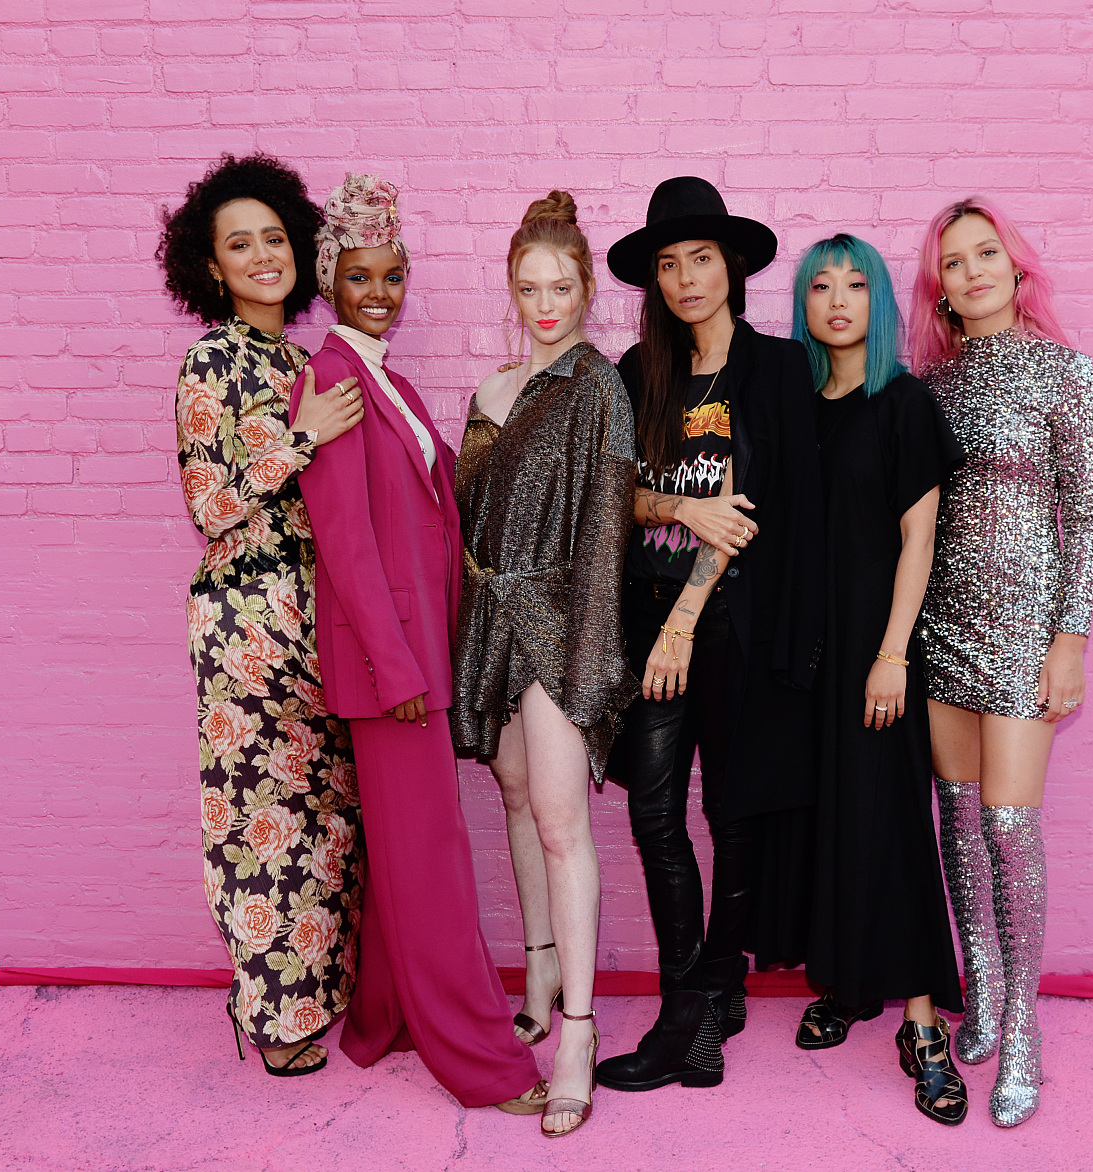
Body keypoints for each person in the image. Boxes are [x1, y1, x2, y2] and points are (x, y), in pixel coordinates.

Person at [291, 174, 547, 1115]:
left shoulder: (388, 380)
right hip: (388, 667)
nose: (379, 292)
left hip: (420, 657)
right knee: (432, 857)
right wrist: (396, 666)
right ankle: (481, 1061)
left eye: (393, 275)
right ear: (331, 280)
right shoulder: (330, 377)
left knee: (406, 850)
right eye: (360, 276)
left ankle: (381, 1018)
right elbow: (344, 542)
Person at [594, 176, 825, 1093]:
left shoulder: (776, 372)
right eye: (668, 264)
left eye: (700, 259)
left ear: (731, 266)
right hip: (650, 618)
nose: (686, 278)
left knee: (731, 812)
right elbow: (612, 497)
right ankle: (699, 999)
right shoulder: (636, 372)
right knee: (654, 815)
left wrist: (687, 621)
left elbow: (759, 509)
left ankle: (702, 1003)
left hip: (732, 623)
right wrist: (679, 506)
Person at [158, 153, 366, 1076]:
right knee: (259, 819)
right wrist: (302, 437)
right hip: (245, 618)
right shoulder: (211, 360)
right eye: (239, 245)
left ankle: (325, 995)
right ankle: (277, 1022)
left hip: (318, 615)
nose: (263, 256)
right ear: (211, 267)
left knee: (326, 815)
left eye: (274, 238)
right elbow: (210, 504)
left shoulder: (302, 361)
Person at [912, 197, 1093, 1128]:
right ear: (941, 289)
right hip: (943, 626)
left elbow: (1086, 519)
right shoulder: (930, 388)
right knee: (955, 814)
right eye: (954, 262)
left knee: (1008, 823)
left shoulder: (1066, 374)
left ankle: (1024, 1028)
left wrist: (1071, 639)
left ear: (1016, 267)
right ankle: (982, 988)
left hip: (1028, 631)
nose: (973, 271)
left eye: (986, 253)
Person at [452, 191, 637, 1137]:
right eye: (530, 289)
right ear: (512, 289)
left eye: (561, 287)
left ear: (587, 288)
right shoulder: (487, 396)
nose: (546, 305)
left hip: (561, 627)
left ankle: (578, 1033)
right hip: (491, 622)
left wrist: (589, 661)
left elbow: (606, 535)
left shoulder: (599, 388)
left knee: (564, 825)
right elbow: (463, 530)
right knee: (517, 800)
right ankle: (539, 973)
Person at [789, 233, 968, 1124]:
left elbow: (919, 541)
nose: (838, 301)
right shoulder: (795, 408)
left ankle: (922, 1023)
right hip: (807, 658)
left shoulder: (904, 405)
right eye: (821, 286)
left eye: (856, 285)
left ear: (881, 302)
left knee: (892, 823)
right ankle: (849, 984)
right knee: (825, 821)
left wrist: (892, 654)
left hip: (880, 653)